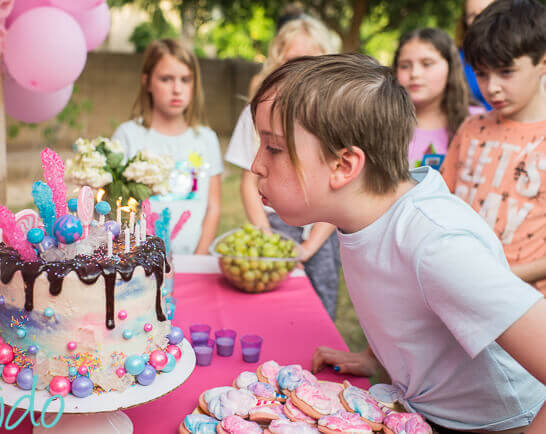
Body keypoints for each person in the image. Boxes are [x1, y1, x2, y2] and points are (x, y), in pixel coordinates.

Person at [250, 53, 546, 432]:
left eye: (273, 148)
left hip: (500, 424)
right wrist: (375, 357)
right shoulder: (364, 210)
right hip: (422, 410)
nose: (257, 164)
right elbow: (404, 298)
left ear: (343, 166)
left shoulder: (438, 246)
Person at [225, 15, 342, 318]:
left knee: (319, 304)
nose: (301, 71)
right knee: (271, 309)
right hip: (274, 227)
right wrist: (269, 243)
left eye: (312, 61)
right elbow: (249, 183)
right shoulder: (255, 115)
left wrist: (309, 248)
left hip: (320, 231)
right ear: (276, 63)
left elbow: (339, 190)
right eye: (293, 60)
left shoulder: (336, 120)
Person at [442, 0, 546, 294]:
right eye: (482, 74)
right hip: (458, 289)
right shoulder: (471, 129)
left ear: (543, 62)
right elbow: (443, 203)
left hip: (523, 305)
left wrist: (503, 277)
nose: (493, 87)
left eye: (506, 72)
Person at [113, 39, 223, 255]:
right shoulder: (128, 136)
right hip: (138, 263)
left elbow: (213, 207)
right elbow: (117, 208)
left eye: (185, 79)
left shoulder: (207, 139)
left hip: (193, 259)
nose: (177, 89)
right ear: (147, 81)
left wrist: (199, 257)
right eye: (166, 79)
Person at [394, 28, 485, 168]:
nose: (415, 74)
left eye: (427, 64)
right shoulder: (382, 122)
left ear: (450, 67)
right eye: (405, 66)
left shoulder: (478, 120)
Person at [454, 0, 496, 110]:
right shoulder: (458, 60)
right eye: (472, 15)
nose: (480, 19)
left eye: (486, 11)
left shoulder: (525, 51)